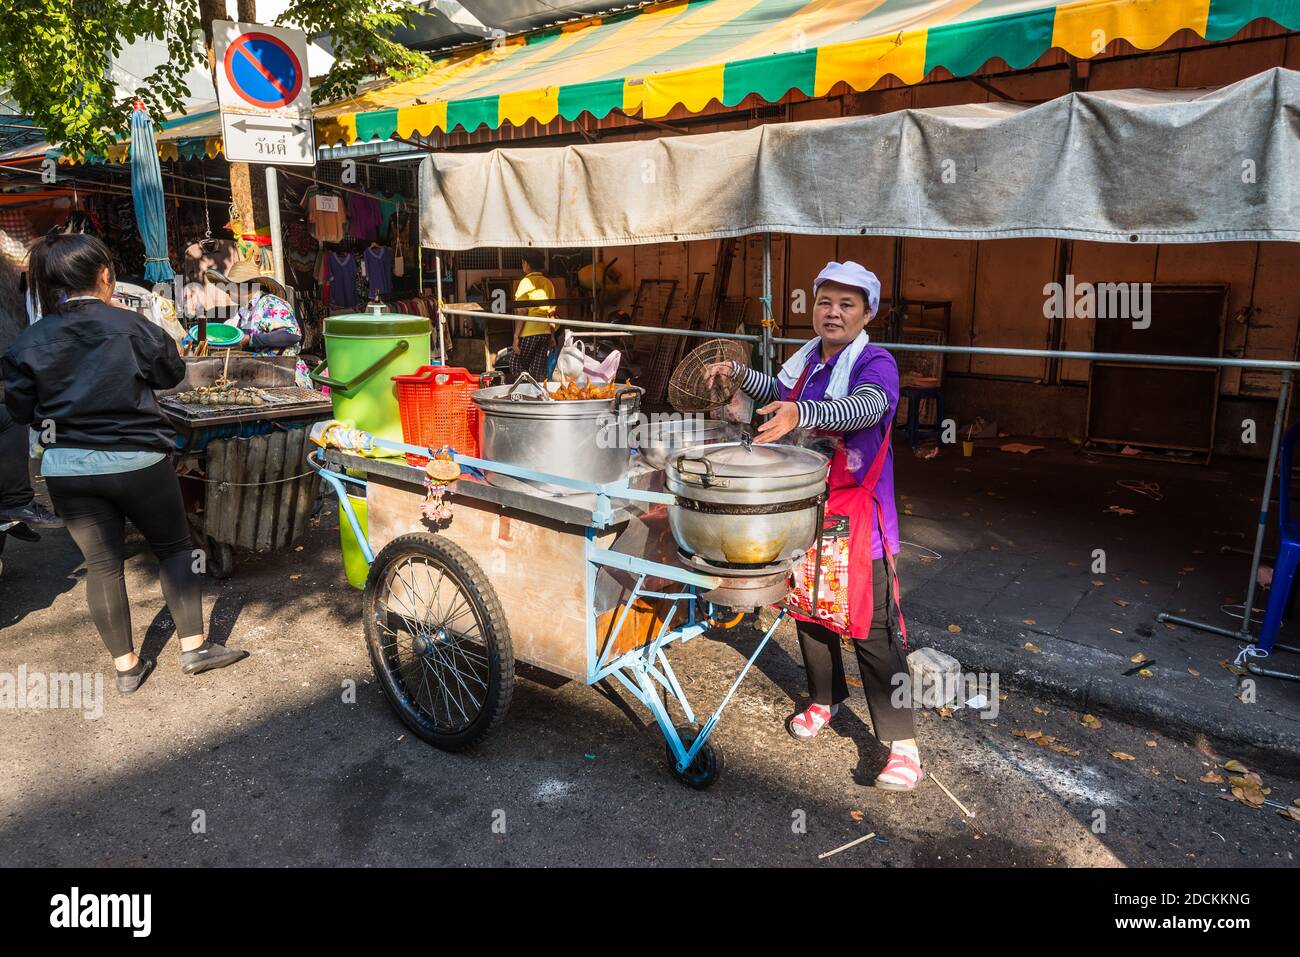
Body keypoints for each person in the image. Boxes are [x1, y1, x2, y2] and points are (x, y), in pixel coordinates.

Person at [707, 260, 921, 791]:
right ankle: (824, 700)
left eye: (847, 304)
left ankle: (902, 744)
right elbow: (773, 388)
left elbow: (866, 408)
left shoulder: (877, 361)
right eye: (825, 301)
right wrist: (736, 376)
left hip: (859, 514)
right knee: (808, 609)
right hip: (807, 506)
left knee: (872, 628)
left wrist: (803, 415)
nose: (833, 312)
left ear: (867, 313)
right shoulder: (808, 361)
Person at [1, 234, 248, 692]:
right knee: (174, 548)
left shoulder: (30, 340)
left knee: (102, 565)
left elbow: (19, 410)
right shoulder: (132, 326)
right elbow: (171, 374)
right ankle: (194, 648)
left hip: (68, 469)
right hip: (139, 460)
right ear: (105, 276)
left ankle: (126, 668)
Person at [511, 256, 557, 382]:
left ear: (527, 264)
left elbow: (522, 311)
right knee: (537, 369)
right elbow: (551, 312)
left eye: (523, 262)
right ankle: (536, 393)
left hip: (529, 332)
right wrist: (552, 335)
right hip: (545, 332)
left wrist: (516, 336)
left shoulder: (526, 282)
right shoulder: (548, 283)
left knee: (516, 364)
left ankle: (525, 391)